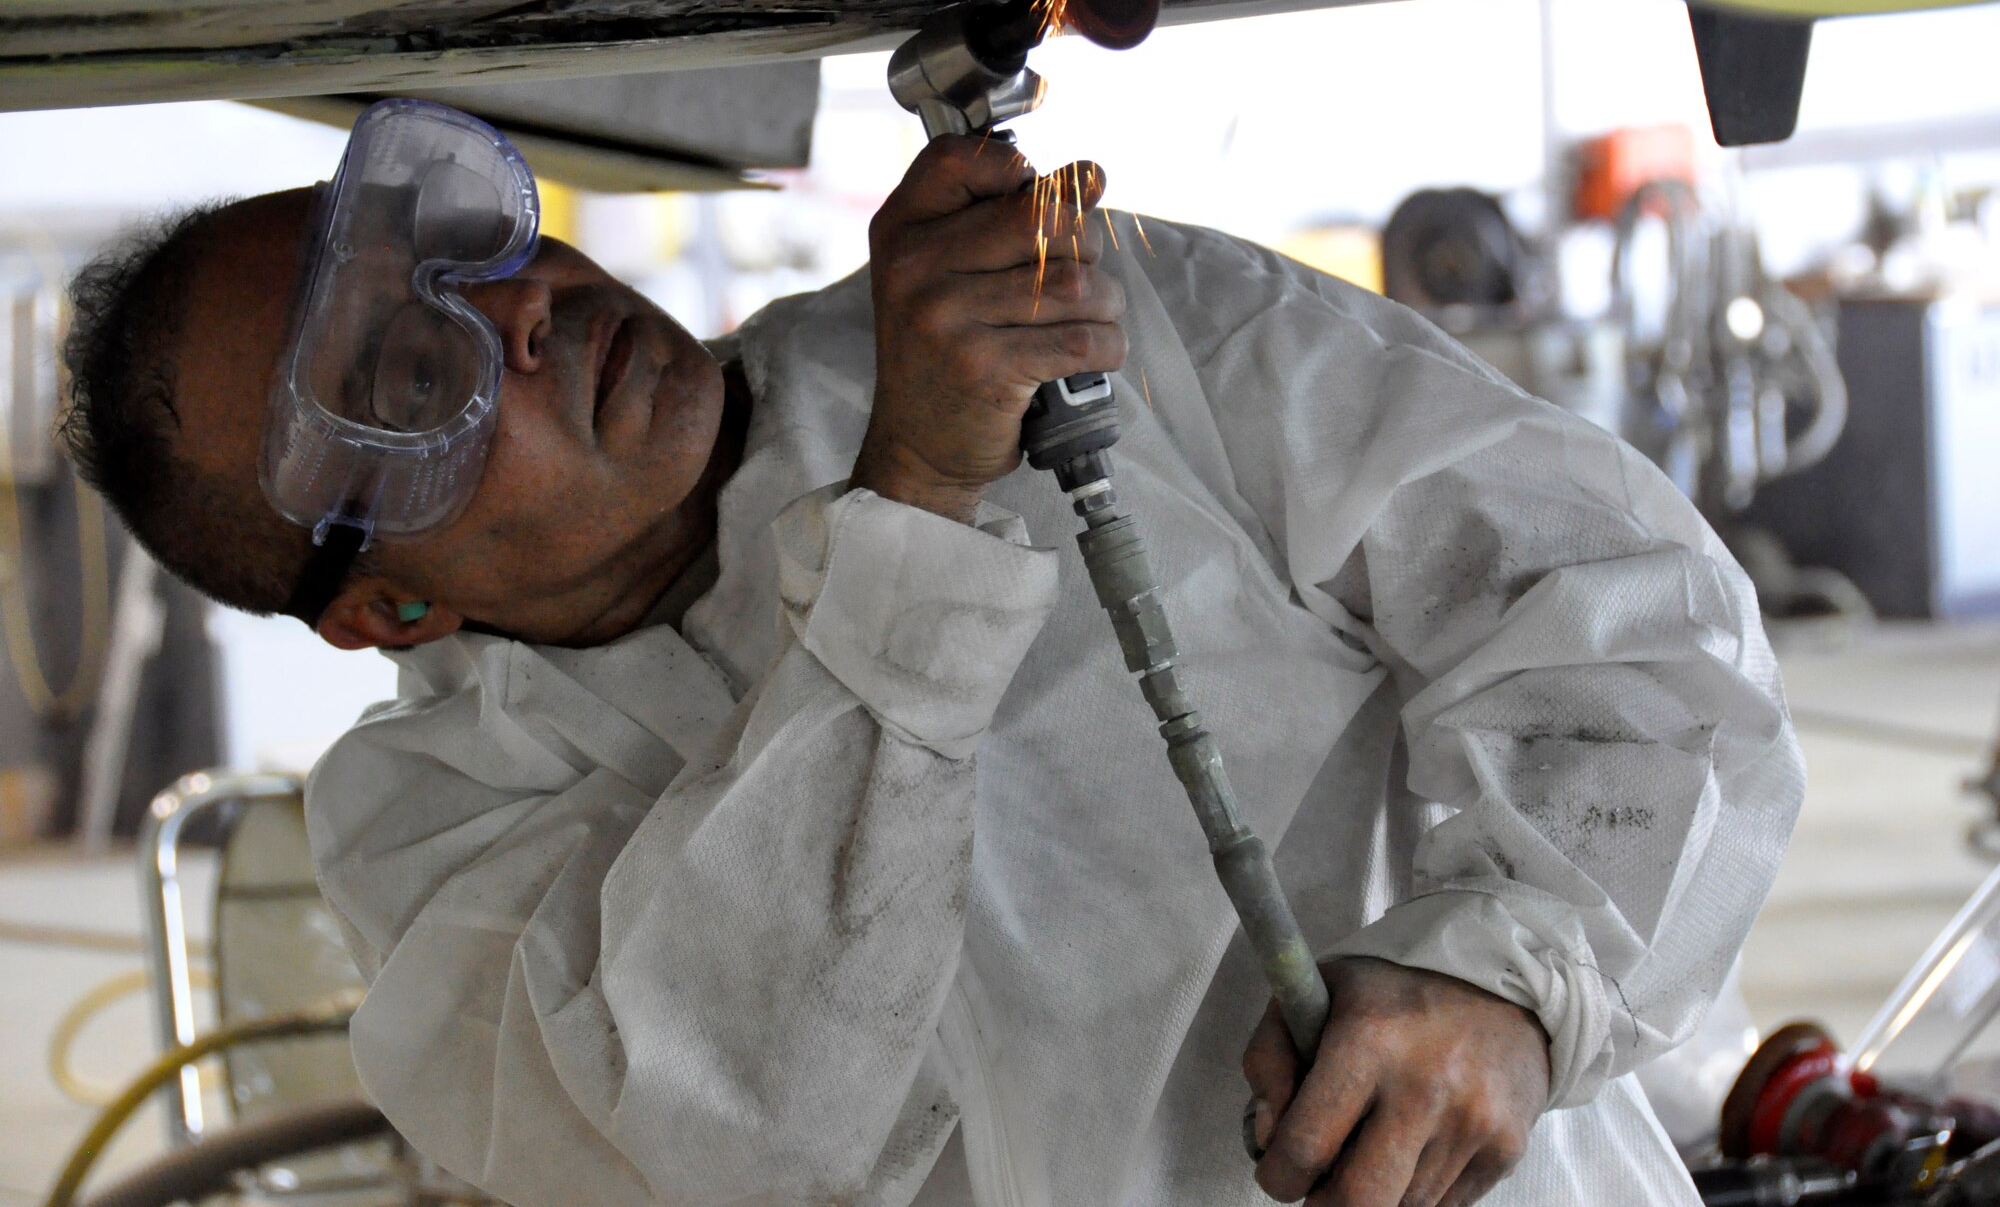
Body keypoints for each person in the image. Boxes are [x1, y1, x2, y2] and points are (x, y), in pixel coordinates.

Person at [60, 102, 1804, 1207]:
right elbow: (739, 1133)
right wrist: (915, 502)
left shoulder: (1085, 317)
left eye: (472, 250)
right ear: (388, 611)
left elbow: (1617, 610)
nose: (518, 312)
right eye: (408, 380)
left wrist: (1509, 978)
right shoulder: (428, 845)